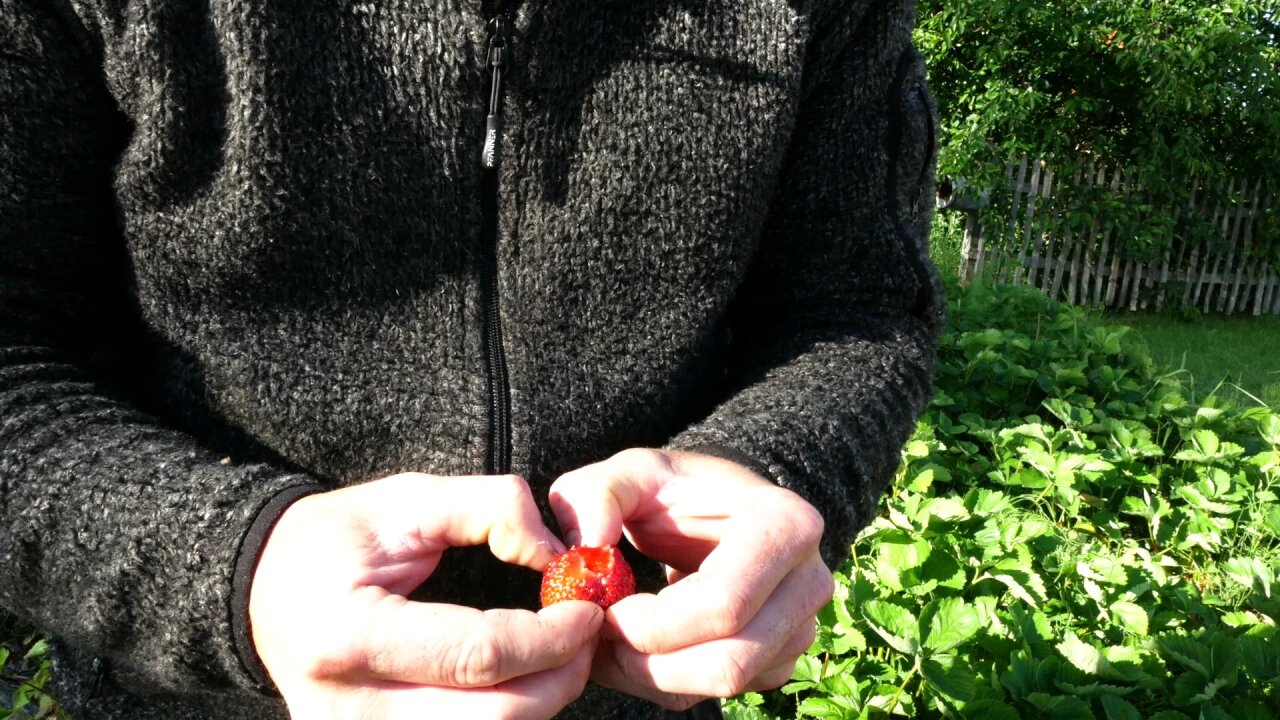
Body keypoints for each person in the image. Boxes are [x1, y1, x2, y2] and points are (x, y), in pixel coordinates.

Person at [0, 0, 943, 717]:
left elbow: (859, 307)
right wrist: (234, 571)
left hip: (642, 692)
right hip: (189, 695)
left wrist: (769, 467)